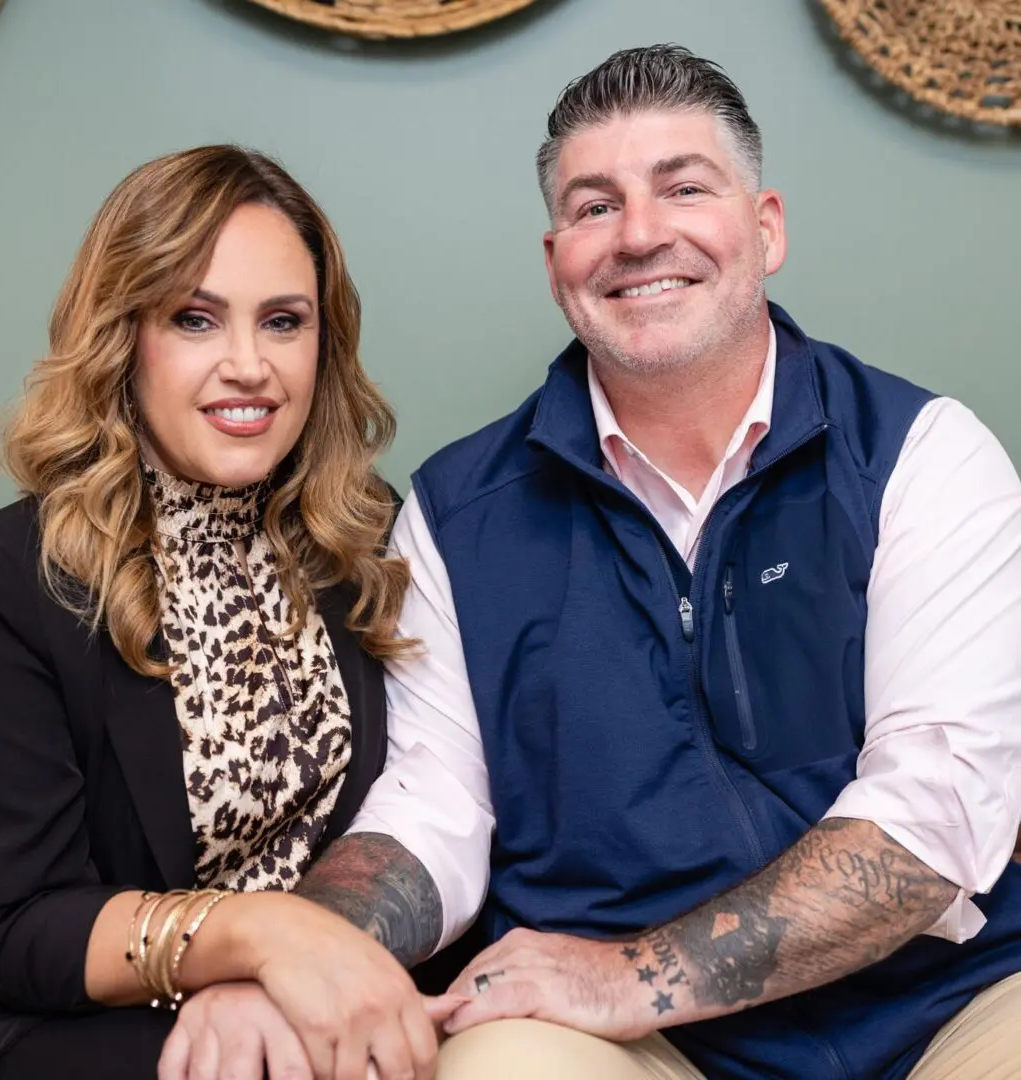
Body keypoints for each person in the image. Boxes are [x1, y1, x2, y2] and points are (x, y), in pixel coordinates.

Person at [338, 44, 1021, 1080]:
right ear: (556, 253)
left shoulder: (923, 453)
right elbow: (433, 812)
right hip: (639, 1048)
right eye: (594, 205)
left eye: (684, 188)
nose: (640, 235)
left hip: (943, 1007)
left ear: (766, 227)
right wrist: (285, 952)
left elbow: (933, 816)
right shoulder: (453, 511)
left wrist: (627, 974)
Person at [0, 145, 464, 1080]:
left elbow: (436, 798)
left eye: (283, 322)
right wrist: (260, 935)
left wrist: (302, 965)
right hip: (73, 1025)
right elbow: (18, 929)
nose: (249, 366)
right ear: (121, 336)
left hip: (319, 1006)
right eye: (194, 319)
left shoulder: (371, 537)